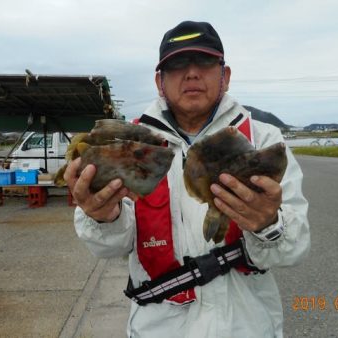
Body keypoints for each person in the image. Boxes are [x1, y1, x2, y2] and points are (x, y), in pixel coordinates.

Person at [64, 20, 310, 338]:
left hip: (247, 326)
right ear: (159, 81)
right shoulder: (128, 144)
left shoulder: (264, 139)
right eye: (178, 64)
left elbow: (293, 250)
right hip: (158, 328)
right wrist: (101, 217)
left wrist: (269, 225)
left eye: (205, 62)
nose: (191, 73)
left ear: (226, 75)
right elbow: (110, 247)